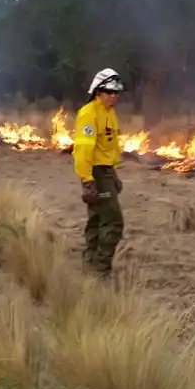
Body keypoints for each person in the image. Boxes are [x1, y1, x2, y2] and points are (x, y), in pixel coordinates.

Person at [72, 68, 126, 278]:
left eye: (116, 93)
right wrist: (87, 181)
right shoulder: (89, 114)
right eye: (109, 92)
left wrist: (113, 175)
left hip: (106, 172)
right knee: (113, 222)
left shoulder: (109, 112)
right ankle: (101, 271)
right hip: (95, 174)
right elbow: (83, 150)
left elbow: (107, 148)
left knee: (96, 220)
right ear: (97, 91)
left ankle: (90, 266)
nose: (113, 97)